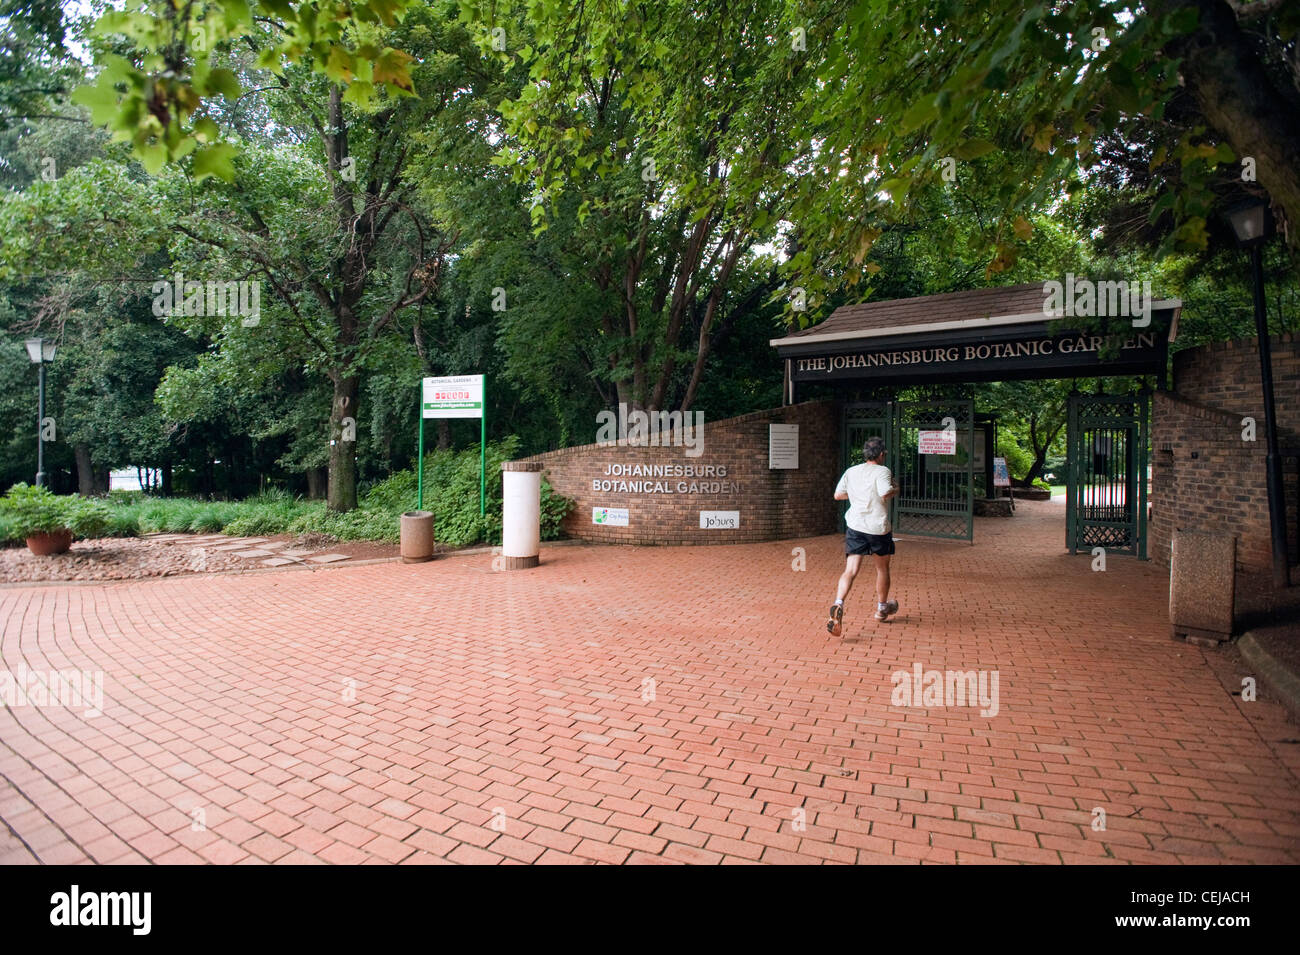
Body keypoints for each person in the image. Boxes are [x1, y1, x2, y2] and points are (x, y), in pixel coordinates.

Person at [827, 436, 899, 636]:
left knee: (850, 570)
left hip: (855, 526)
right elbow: (885, 493)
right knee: (882, 569)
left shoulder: (852, 471)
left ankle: (838, 603)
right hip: (877, 528)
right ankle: (882, 608)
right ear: (882, 454)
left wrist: (858, 494)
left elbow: (838, 495)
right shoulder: (883, 471)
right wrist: (896, 489)